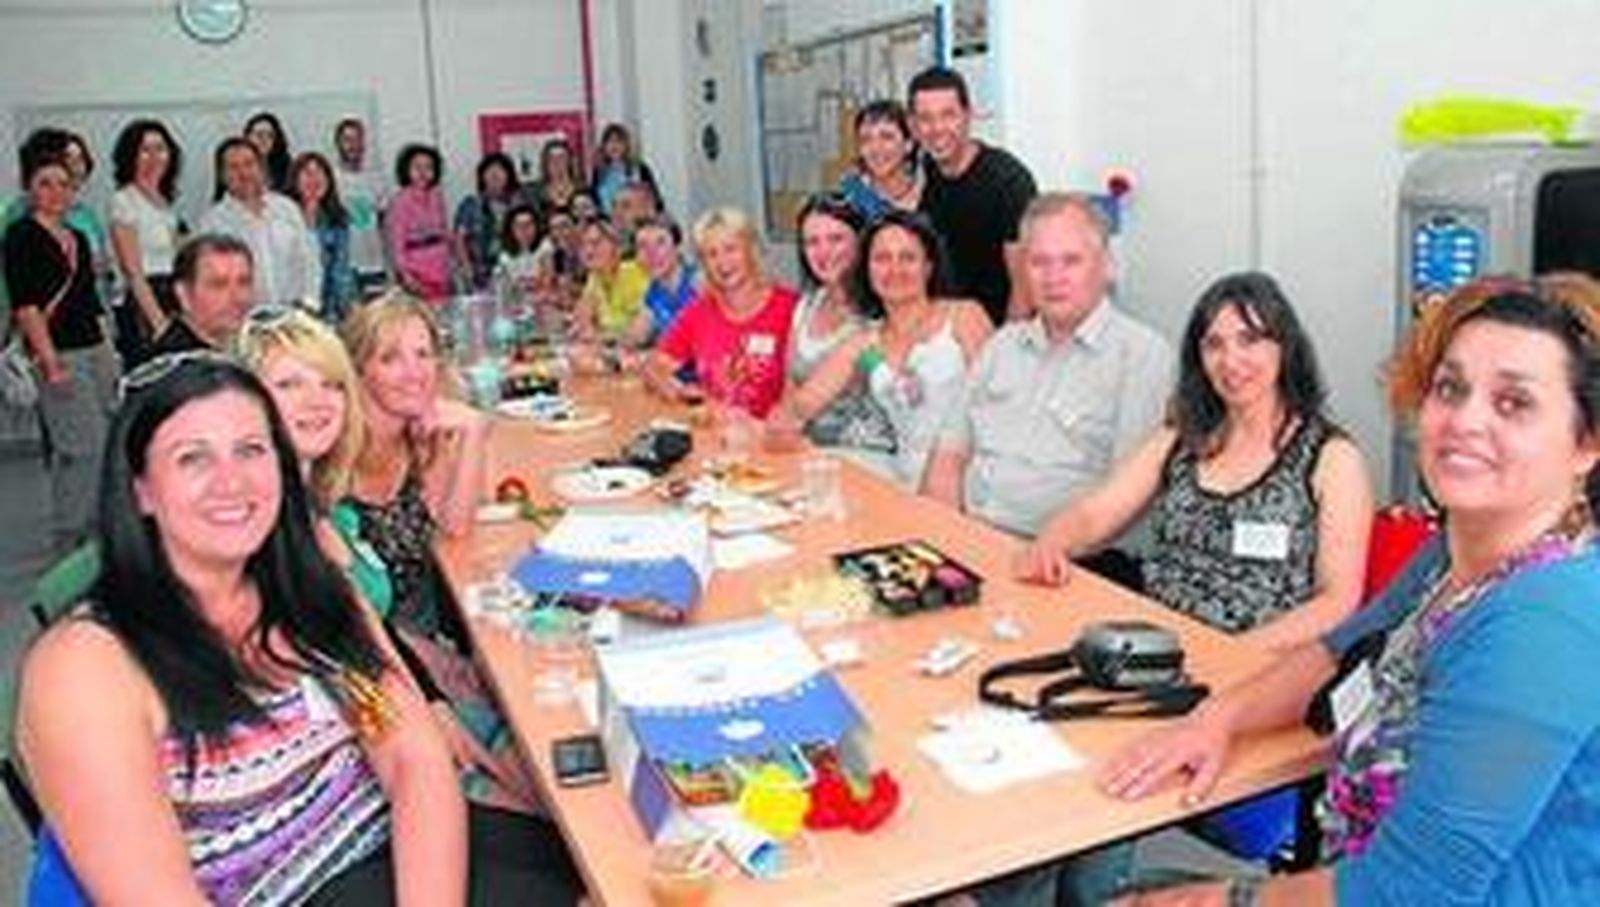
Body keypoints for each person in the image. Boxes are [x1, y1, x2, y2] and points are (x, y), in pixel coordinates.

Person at [1099, 274, 1600, 906]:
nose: (1465, 420)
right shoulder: (1455, 550)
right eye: (1451, 388)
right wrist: (1215, 720)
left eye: (1513, 403)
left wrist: (1213, 901)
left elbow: (1405, 895)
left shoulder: (1548, 623)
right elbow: (1339, 646)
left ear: (1587, 444)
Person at [15, 352, 467, 904]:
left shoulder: (310, 585)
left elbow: (415, 759)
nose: (231, 481)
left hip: (399, 867)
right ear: (141, 491)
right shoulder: (85, 669)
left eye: (251, 450)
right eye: (192, 458)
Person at [235, 306, 583, 902]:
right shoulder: (267, 527)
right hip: (338, 807)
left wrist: (428, 702)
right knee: (563, 806)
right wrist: (433, 708)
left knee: (562, 783)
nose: (316, 400)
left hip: (384, 724)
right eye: (289, 384)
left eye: (327, 384)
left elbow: (371, 646)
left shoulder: (305, 514)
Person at [1020, 271, 1373, 652]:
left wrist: (1231, 653)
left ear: (1284, 347)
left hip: (1257, 659)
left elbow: (1337, 602)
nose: (1230, 361)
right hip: (1153, 642)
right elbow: (1096, 513)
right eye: (1214, 345)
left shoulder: (1333, 458)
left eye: (1249, 340)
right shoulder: (1183, 436)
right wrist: (1051, 542)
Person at [341, 293, 545, 819]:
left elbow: (455, 525)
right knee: (525, 777)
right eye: (391, 358)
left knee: (539, 748)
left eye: (423, 353)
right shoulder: (333, 462)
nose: (414, 373)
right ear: (358, 368)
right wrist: (431, 672)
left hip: (431, 639)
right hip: (382, 664)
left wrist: (474, 430)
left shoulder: (416, 439)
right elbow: (351, 613)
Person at [924, 194, 1173, 551]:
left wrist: (1037, 554)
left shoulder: (1142, 355)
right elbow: (948, 455)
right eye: (1039, 262)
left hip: (1071, 564)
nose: (1053, 277)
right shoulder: (1001, 346)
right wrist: (949, 542)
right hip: (970, 543)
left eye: (1071, 261)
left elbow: (1125, 500)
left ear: (1107, 265)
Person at [2, 130, 118, 551]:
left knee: (104, 445)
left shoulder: (79, 238)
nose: (55, 192)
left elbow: (92, 303)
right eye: (44, 183)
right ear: (29, 189)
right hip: (60, 353)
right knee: (81, 449)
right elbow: (27, 305)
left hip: (94, 350)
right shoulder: (21, 236)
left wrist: (110, 354)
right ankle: (70, 537)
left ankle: (95, 529)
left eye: (63, 183)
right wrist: (49, 361)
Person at [770, 193, 896, 467]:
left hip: (870, 459)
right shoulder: (807, 305)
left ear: (861, 243)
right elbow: (789, 389)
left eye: (836, 239)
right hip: (808, 453)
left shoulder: (884, 312)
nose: (823, 252)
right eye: (812, 242)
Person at [643, 207, 800, 419]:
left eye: (731, 249)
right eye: (711, 254)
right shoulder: (697, 313)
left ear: (751, 251)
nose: (722, 262)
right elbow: (654, 366)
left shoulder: (791, 308)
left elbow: (804, 390)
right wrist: (677, 391)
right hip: (716, 437)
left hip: (771, 439)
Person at [910, 66, 1037, 326]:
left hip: (1000, 335)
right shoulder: (926, 173)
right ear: (913, 125)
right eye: (925, 118)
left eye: (948, 115)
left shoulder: (1009, 181)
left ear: (968, 116)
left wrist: (1000, 358)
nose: (936, 128)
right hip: (947, 334)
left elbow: (1024, 293)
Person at [199, 137, 321, 309]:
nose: (243, 173)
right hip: (242, 323)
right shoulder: (212, 223)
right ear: (222, 175)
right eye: (233, 167)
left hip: (294, 317)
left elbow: (309, 260)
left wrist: (309, 303)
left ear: (261, 168)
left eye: (249, 164)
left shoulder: (287, 208)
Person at [107, 118, 184, 368]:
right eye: (145, 150)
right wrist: (159, 323)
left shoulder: (165, 202)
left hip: (170, 296)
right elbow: (133, 273)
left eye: (160, 148)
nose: (154, 157)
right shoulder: (124, 201)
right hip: (143, 304)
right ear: (131, 155)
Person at [149, 233, 256, 357]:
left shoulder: (252, 351)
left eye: (244, 282)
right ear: (183, 294)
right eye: (218, 285)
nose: (238, 297)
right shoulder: (176, 366)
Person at [288, 151, 359, 323]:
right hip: (289, 310)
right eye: (307, 173)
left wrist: (352, 313)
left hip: (327, 311)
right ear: (295, 180)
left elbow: (341, 271)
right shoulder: (282, 216)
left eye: (320, 173)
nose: (314, 179)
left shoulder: (337, 219)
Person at [454, 152, 534, 291]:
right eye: (489, 171)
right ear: (482, 176)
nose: (495, 175)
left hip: (516, 270)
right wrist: (467, 267)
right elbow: (459, 238)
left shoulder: (520, 202)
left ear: (509, 175)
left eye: (500, 170)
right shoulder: (471, 204)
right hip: (481, 273)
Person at [385, 143, 454, 302]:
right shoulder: (400, 201)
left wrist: (451, 264)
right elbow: (396, 243)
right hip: (416, 274)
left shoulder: (437, 196)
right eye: (417, 167)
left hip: (441, 270)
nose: (423, 172)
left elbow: (443, 232)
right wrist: (405, 276)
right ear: (406, 170)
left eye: (428, 167)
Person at [330, 117, 389, 297]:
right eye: (347, 139)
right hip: (344, 267)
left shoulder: (377, 178)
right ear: (338, 144)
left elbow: (383, 222)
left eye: (357, 139)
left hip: (375, 265)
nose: (353, 145)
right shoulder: (331, 177)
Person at [839, 100, 922, 220]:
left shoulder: (931, 191)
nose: (876, 148)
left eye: (887, 137)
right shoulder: (850, 199)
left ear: (909, 144)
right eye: (866, 140)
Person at [572, 217, 649, 345]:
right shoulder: (595, 277)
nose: (589, 251)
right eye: (583, 245)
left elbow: (641, 333)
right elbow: (582, 320)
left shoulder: (635, 272)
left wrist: (599, 336)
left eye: (596, 243)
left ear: (616, 244)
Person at [628, 214, 697, 345]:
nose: (651, 254)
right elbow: (636, 336)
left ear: (678, 248)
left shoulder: (700, 283)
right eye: (642, 246)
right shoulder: (653, 293)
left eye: (660, 243)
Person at [590, 122, 661, 217]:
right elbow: (595, 202)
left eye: (618, 141)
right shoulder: (599, 172)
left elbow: (656, 200)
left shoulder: (640, 169)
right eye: (609, 142)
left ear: (626, 145)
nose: (614, 146)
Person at [492, 203, 545, 327]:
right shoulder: (505, 257)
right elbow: (506, 290)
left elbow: (547, 282)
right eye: (519, 226)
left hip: (542, 307)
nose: (525, 231)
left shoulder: (544, 248)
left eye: (529, 225)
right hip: (517, 310)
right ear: (511, 230)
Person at [531, 138, 583, 217]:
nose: (556, 162)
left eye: (561, 157)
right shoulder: (535, 193)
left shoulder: (581, 189)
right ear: (545, 163)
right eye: (551, 158)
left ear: (569, 161)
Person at [244, 110, 293, 193]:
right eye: (259, 135)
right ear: (248, 137)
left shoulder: (285, 166)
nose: (264, 140)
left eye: (270, 135)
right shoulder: (237, 165)